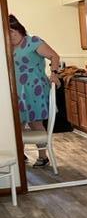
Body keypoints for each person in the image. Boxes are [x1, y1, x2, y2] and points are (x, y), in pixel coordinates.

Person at [9, 14, 61, 167]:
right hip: (18, 91)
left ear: (19, 29)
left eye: (13, 32)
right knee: (17, 123)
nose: (10, 36)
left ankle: (43, 156)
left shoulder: (33, 42)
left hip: (35, 89)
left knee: (35, 122)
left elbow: (54, 56)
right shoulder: (7, 45)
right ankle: (20, 155)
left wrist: (54, 74)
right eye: (7, 32)